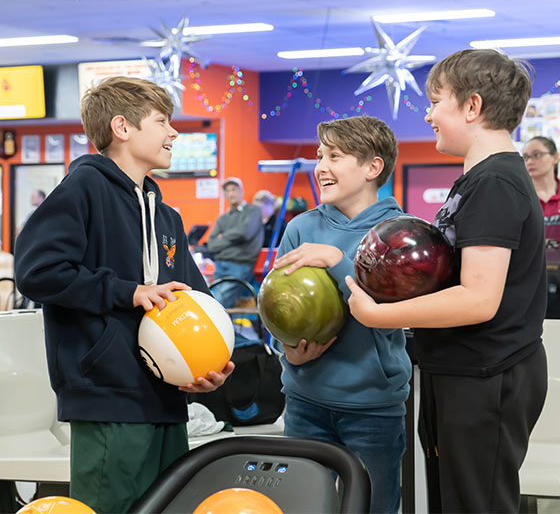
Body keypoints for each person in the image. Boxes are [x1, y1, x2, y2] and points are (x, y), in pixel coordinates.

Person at [14, 76, 234, 514]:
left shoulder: (167, 216)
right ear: (122, 127)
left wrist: (211, 362)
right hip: (108, 396)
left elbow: (195, 299)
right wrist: (128, 292)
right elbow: (37, 272)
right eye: (162, 121)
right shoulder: (83, 190)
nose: (174, 132)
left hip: (168, 401)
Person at [345, 49, 548, 513]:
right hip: (463, 369)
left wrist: (379, 316)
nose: (429, 114)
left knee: (475, 504)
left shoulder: (496, 181)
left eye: (437, 102)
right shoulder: (478, 179)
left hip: (488, 373)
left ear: (472, 107)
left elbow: (479, 299)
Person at [272, 115, 411, 514]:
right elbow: (276, 304)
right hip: (303, 399)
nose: (321, 166)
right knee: (300, 506)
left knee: (372, 507)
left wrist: (337, 260)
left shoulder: (399, 231)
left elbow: (391, 308)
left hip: (372, 407)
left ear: (373, 167)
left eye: (335, 155)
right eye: (319, 155)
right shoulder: (301, 228)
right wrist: (286, 350)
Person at [207, 177, 264, 308]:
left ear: (241, 191)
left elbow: (245, 233)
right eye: (227, 191)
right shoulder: (223, 218)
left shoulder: (253, 211)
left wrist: (223, 237)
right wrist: (234, 238)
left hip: (240, 265)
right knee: (212, 299)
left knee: (217, 303)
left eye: (234, 189)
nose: (231, 193)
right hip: (220, 266)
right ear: (225, 195)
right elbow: (212, 244)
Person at [523, 135, 560, 318]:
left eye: (537, 154)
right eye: (526, 157)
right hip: (529, 289)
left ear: (555, 157)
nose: (530, 161)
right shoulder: (519, 199)